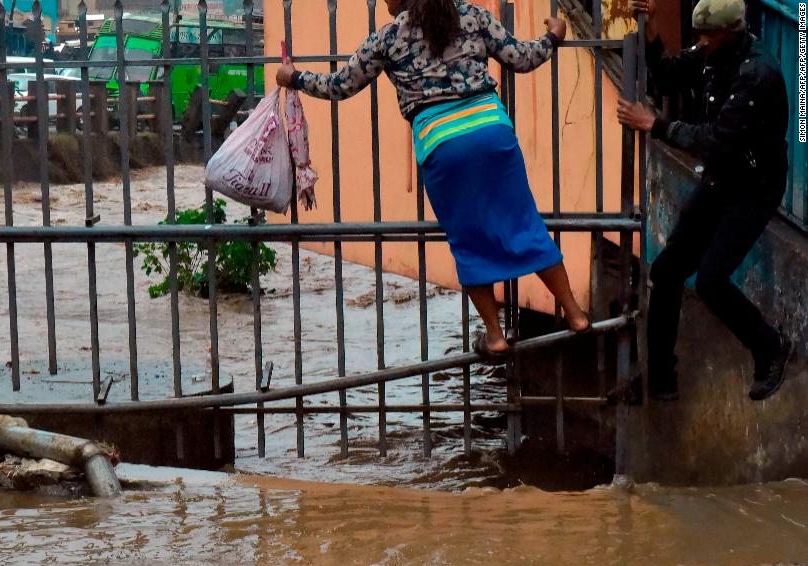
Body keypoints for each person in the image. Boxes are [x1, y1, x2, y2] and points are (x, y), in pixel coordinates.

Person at [276, 0, 590, 363]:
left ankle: (495, 335)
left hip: (443, 146)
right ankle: (575, 312)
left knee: (468, 240)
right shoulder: (471, 15)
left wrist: (294, 78)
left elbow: (341, 85)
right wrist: (553, 37)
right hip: (493, 133)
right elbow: (522, 58)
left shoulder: (389, 37)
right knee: (525, 223)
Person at [618, 0, 792, 401]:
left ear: (730, 32)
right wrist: (649, 28)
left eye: (708, 34)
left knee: (712, 280)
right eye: (699, 35)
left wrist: (657, 125)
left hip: (755, 186)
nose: (702, 42)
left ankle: (770, 347)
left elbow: (715, 141)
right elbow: (669, 74)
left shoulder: (758, 74)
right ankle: (660, 379)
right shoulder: (715, 52)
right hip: (723, 179)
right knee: (667, 272)